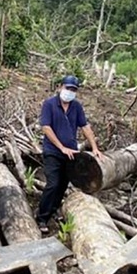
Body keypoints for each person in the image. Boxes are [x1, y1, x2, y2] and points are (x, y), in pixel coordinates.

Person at [36, 75, 102, 234]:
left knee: (63, 185)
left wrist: (94, 147)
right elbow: (46, 127)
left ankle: (53, 210)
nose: (70, 92)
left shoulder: (76, 107)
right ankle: (41, 217)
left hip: (71, 153)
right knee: (53, 183)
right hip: (53, 151)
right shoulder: (49, 104)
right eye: (68, 88)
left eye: (73, 89)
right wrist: (61, 147)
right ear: (60, 87)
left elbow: (85, 126)